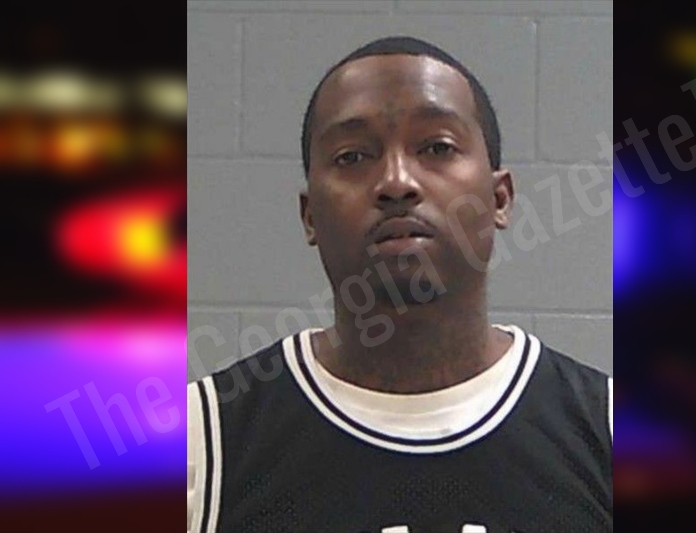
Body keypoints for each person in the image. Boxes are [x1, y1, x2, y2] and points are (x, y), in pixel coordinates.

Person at [187, 36, 612, 533]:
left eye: (437, 147)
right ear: (309, 216)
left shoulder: (612, 431)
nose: (396, 181)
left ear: (499, 199)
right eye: (352, 156)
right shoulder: (200, 444)